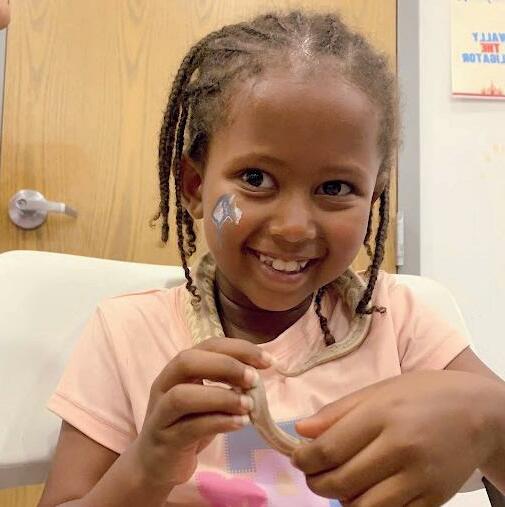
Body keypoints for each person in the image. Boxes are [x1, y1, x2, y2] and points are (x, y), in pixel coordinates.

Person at [38, 10, 505, 507]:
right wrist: (146, 467)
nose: (294, 227)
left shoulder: (402, 325)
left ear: (373, 199)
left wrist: (489, 421)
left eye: (335, 188)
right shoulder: (126, 334)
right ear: (195, 187)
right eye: (256, 179)